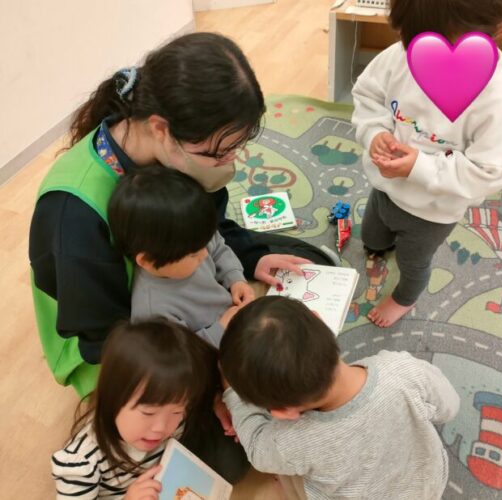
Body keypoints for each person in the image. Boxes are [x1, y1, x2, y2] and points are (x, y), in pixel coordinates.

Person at [29, 32, 332, 397]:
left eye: (235, 148)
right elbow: (105, 337)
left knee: (310, 264)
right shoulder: (74, 215)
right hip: (122, 345)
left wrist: (252, 258)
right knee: (264, 390)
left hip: (185, 283)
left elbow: (209, 231)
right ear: (161, 129)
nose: (228, 162)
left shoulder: (175, 154)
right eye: (217, 153)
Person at [351, 0, 502, 328]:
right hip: (384, 187)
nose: (424, 54)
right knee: (373, 236)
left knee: (413, 262)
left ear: (500, 28)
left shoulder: (499, 101)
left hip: (433, 212)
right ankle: (379, 245)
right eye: (416, 40)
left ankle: (405, 298)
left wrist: (419, 167)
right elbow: (368, 95)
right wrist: (375, 131)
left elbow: (492, 170)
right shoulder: (399, 56)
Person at [218, 296, 460, 500]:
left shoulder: (290, 441)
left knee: (287, 472)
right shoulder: (401, 369)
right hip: (428, 485)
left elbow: (257, 450)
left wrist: (230, 390)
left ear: (283, 412)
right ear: (319, 318)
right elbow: (450, 407)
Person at [52, 318, 245, 498]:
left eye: (177, 411)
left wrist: (217, 401)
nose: (161, 427)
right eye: (148, 412)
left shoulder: (171, 410)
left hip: (167, 477)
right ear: (112, 399)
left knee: (234, 461)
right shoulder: (81, 463)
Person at [108, 165, 254, 348]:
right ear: (147, 261)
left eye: (204, 243)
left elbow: (218, 246)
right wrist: (221, 329)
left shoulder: (191, 238)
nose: (205, 254)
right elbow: (180, 355)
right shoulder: (153, 312)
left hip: (235, 318)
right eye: (194, 254)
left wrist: (234, 279)